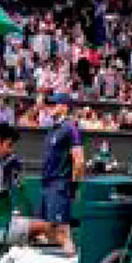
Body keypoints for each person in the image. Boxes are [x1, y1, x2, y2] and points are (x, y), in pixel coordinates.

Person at [38, 105, 83, 253]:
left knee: (62, 231)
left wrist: (75, 185)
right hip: (46, 184)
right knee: (43, 230)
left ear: (64, 107)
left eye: (54, 104)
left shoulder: (71, 128)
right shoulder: (52, 129)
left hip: (60, 183)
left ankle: (72, 262)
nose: (49, 107)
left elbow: (79, 160)